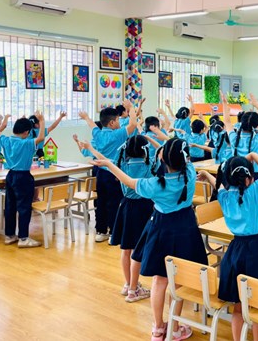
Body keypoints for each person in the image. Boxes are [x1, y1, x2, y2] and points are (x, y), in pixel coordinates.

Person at [93, 138, 207, 341]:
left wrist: (110, 164)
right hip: (186, 228)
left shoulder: (154, 185)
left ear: (163, 159)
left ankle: (158, 329)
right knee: (178, 282)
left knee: (159, 280)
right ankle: (174, 328)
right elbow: (179, 157)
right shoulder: (189, 173)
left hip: (162, 228)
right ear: (184, 158)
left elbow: (129, 181)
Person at [198, 155, 258, 341]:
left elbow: (218, 184)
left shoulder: (224, 196)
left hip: (235, 251)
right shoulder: (254, 192)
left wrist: (206, 173)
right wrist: (252, 155)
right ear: (249, 177)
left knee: (238, 305)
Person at [80, 135, 155, 303]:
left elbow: (105, 161)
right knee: (137, 251)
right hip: (143, 208)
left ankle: (129, 284)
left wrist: (90, 148)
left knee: (126, 249)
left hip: (126, 207)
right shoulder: (149, 165)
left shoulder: (121, 164)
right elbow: (161, 152)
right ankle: (134, 290)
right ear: (145, 150)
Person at [0, 110, 46, 248]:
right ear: (26, 132)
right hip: (24, 176)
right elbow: (41, 137)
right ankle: (23, 238)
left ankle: (9, 236)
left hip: (11, 176)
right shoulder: (27, 143)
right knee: (24, 208)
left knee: (10, 206)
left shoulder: (6, 140)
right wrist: (42, 121)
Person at [79, 104, 137, 242]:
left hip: (100, 173)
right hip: (114, 173)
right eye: (117, 120)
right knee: (114, 202)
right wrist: (131, 107)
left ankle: (101, 231)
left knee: (101, 201)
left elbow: (92, 125)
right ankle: (113, 232)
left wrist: (86, 117)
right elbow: (133, 124)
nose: (119, 122)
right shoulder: (118, 135)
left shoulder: (97, 133)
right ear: (111, 123)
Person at [221, 91, 258, 179]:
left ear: (241, 123)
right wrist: (256, 104)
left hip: (236, 175)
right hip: (255, 176)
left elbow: (227, 122)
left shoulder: (234, 138)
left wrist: (224, 104)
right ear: (257, 126)